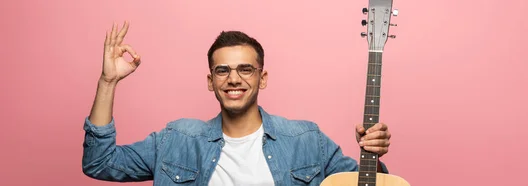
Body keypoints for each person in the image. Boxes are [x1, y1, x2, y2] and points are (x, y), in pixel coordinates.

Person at [82, 21, 393, 186]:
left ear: (262, 77)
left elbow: (366, 183)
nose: (234, 79)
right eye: (222, 70)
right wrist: (108, 82)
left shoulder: (307, 140)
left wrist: (372, 154)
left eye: (245, 69)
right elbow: (99, 163)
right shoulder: (175, 140)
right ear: (210, 82)